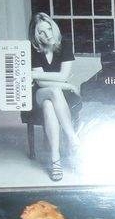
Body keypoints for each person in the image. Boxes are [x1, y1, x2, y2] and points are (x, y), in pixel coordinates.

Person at [27, 12, 81, 181]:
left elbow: (63, 76)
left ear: (53, 27)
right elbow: (42, 83)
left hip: (59, 96)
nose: (47, 34)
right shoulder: (33, 49)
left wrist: (35, 74)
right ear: (36, 36)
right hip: (40, 93)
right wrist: (65, 85)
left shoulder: (65, 44)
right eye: (41, 32)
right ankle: (73, 138)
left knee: (49, 105)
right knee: (53, 92)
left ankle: (55, 160)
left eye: (49, 29)